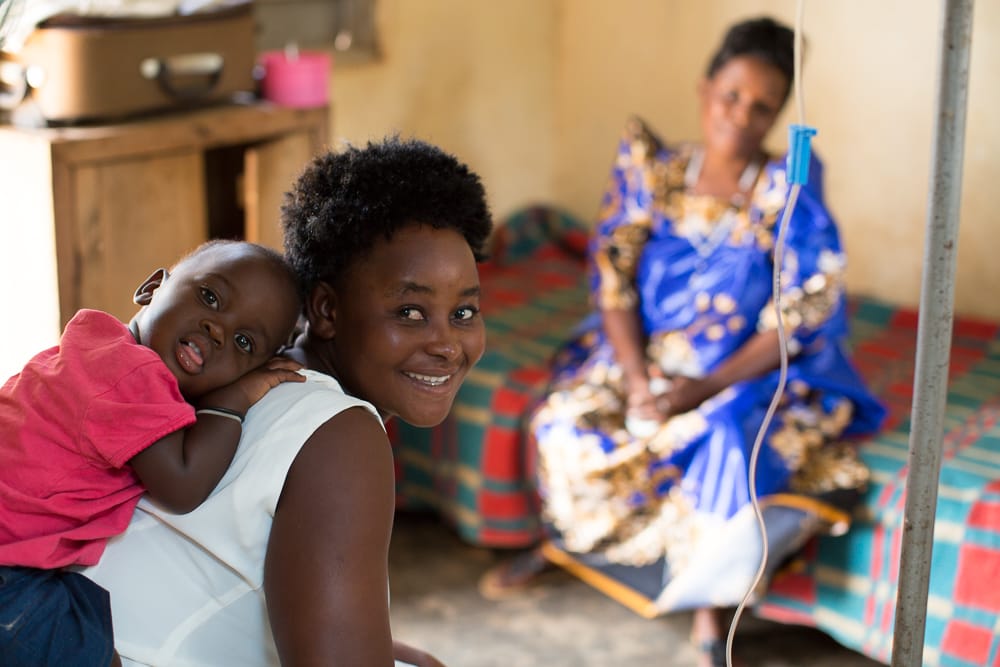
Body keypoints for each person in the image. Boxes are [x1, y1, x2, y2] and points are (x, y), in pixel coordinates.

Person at [478, 16, 886, 667]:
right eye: (731, 95)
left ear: (780, 110)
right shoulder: (654, 172)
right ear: (704, 88)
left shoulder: (787, 190)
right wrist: (641, 382)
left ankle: (710, 613)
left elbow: (799, 313)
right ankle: (563, 543)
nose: (742, 115)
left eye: (763, 105)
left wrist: (697, 390)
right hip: (646, 357)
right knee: (562, 420)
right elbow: (613, 282)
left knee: (726, 440)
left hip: (740, 368)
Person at [83, 136, 493, 667]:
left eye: (464, 314)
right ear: (325, 308)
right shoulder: (341, 438)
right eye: (410, 313)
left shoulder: (230, 375)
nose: (446, 345)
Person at [0, 239, 304, 667]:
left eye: (243, 342)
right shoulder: (136, 376)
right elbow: (182, 486)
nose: (217, 330)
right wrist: (232, 400)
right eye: (210, 297)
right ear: (152, 287)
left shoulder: (94, 343)